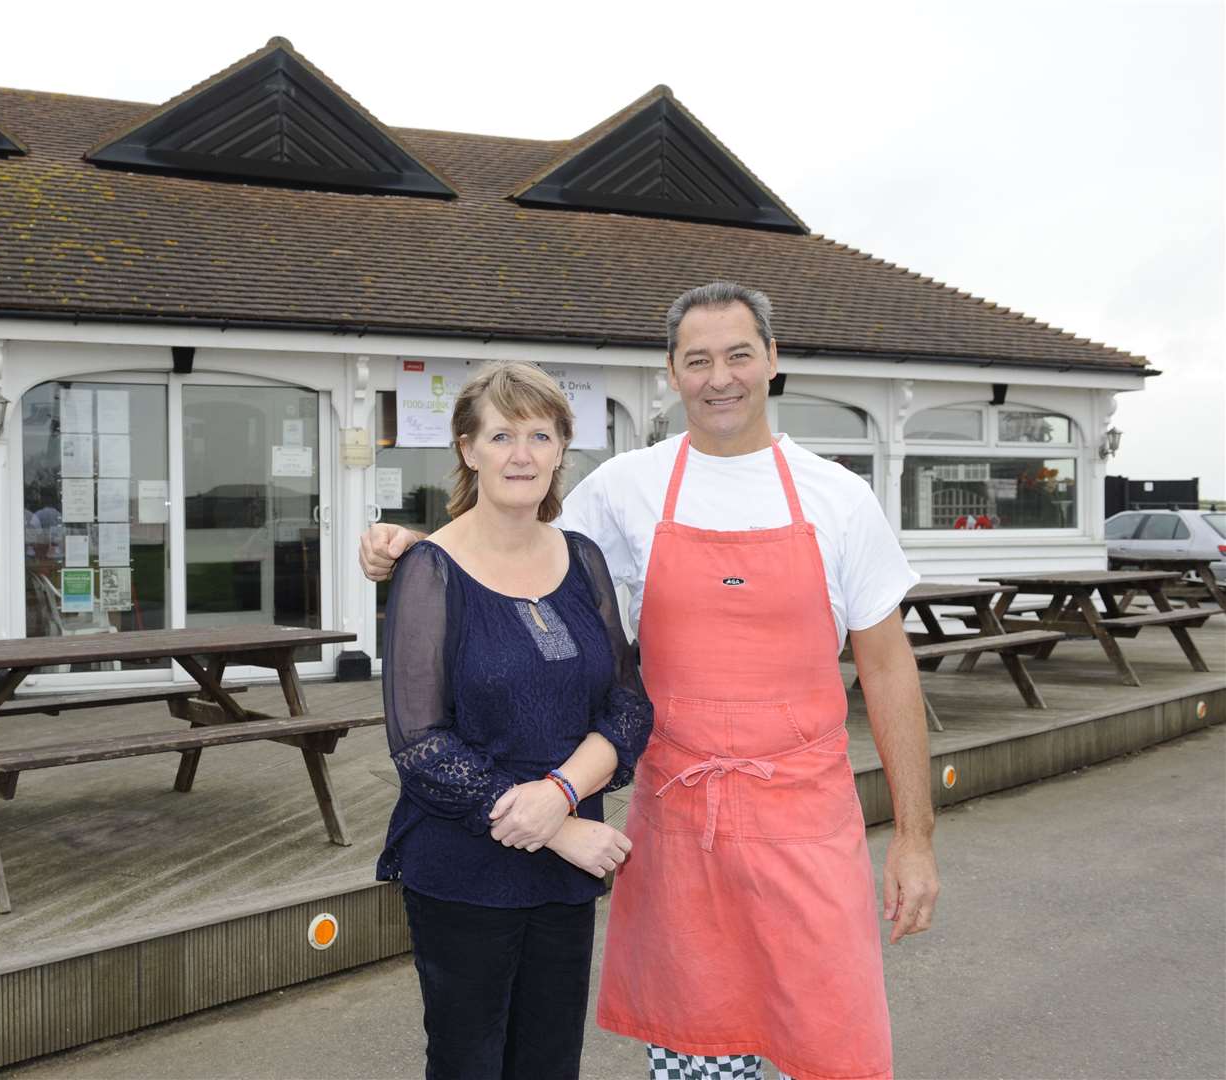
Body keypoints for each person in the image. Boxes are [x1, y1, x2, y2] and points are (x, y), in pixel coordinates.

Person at [361, 283, 940, 1080]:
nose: (719, 377)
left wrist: (913, 840)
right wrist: (413, 550)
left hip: (806, 821)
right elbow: (511, 556)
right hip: (678, 824)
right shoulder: (627, 487)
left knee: (831, 1045)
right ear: (671, 372)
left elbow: (887, 669)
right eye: (697, 360)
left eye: (738, 354)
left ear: (772, 361)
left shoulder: (839, 496)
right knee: (696, 1052)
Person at [377, 360, 654, 1080]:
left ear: (562, 447)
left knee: (549, 1060)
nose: (521, 454)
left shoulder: (584, 559)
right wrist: (558, 830)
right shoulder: (430, 570)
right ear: (468, 448)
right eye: (501, 435)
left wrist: (561, 795)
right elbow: (419, 743)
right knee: (470, 1061)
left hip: (565, 872)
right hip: (465, 868)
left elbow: (626, 702)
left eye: (539, 434)